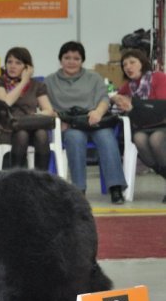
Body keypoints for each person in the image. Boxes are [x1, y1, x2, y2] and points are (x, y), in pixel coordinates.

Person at [45, 41, 127, 203]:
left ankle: (116, 188)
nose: (71, 62)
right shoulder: (50, 81)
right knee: (74, 138)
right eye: (67, 57)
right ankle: (78, 189)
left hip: (96, 121)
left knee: (107, 138)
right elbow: (46, 107)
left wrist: (98, 112)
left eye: (76, 58)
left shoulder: (94, 77)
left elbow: (105, 99)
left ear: (82, 60)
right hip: (71, 124)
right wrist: (58, 120)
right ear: (60, 60)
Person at [112, 48, 166, 202]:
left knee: (156, 140)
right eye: (124, 65)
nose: (128, 67)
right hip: (143, 127)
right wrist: (116, 98)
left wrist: (134, 105)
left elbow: (162, 106)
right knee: (140, 140)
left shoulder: (159, 77)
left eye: (132, 62)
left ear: (142, 63)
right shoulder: (129, 86)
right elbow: (115, 97)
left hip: (162, 124)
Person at [0, 47, 55, 170]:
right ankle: (17, 180)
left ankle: (40, 180)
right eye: (9, 62)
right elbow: (5, 102)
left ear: (27, 67)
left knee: (41, 133)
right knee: (22, 134)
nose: (12, 66)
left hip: (31, 126)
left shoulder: (37, 85)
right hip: (7, 129)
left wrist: (37, 116)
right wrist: (24, 81)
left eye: (18, 63)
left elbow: (48, 109)